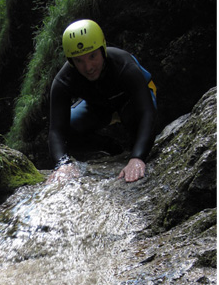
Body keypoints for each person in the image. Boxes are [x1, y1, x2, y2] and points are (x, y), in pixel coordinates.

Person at [48, 19, 157, 183]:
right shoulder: (63, 80)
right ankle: (111, 147)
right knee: (69, 130)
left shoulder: (124, 64)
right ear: (71, 61)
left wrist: (137, 157)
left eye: (92, 56)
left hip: (132, 102)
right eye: (79, 60)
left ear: (103, 50)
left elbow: (147, 112)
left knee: (134, 118)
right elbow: (56, 130)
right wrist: (63, 164)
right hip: (98, 105)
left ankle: (134, 144)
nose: (88, 67)